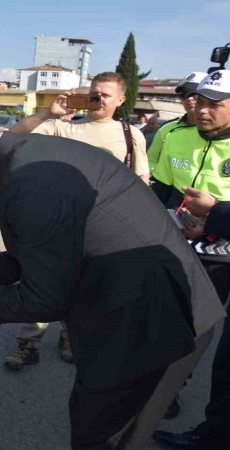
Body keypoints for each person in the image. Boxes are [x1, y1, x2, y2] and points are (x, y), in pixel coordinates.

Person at [0, 101, 225, 450]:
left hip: (154, 328)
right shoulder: (24, 156)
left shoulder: (31, 180)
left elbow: (44, 299)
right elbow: (56, 245)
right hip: (129, 313)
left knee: (106, 438)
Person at [3, 72, 150, 370]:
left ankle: (70, 335)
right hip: (56, 223)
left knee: (86, 286)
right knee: (41, 281)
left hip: (103, 226)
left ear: (121, 100)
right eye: (93, 92)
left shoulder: (129, 134)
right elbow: (11, 138)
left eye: (105, 95)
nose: (97, 99)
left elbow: (141, 182)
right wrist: (48, 112)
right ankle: (28, 344)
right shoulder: (63, 128)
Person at [151, 70, 230, 450]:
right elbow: (161, 191)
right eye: (200, 101)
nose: (202, 110)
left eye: (215, 104)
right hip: (183, 252)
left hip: (224, 255)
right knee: (179, 329)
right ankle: (170, 393)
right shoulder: (175, 136)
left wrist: (214, 218)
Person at [147, 72, 207, 173]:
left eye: (193, 93)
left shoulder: (220, 131)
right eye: (184, 95)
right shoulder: (166, 128)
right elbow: (151, 160)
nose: (189, 98)